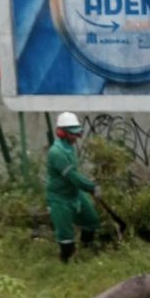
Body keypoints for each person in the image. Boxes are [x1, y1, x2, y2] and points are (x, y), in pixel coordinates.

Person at [46, 112, 101, 263]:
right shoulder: (56, 152)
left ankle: (87, 249)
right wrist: (91, 187)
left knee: (91, 220)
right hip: (60, 198)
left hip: (74, 194)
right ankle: (66, 261)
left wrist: (88, 187)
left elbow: (75, 176)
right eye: (73, 134)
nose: (76, 137)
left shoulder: (70, 147)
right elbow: (73, 176)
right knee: (65, 234)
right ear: (62, 133)